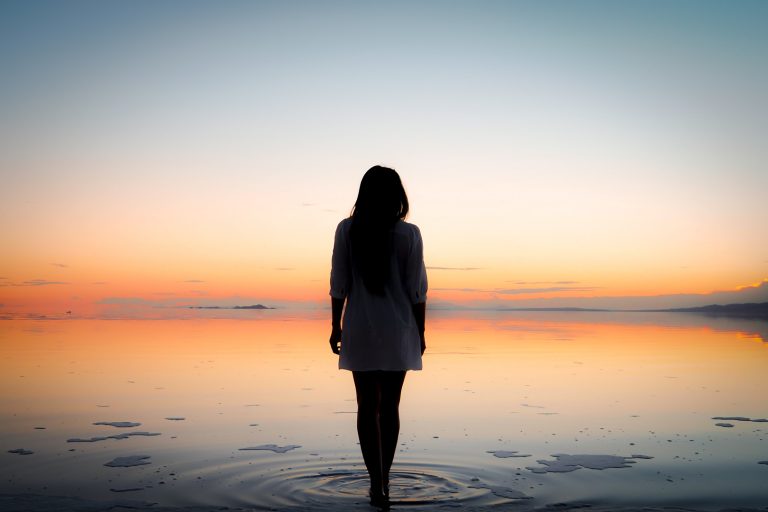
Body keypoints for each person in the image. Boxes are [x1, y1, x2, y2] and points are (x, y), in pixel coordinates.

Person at [329, 165, 427, 507]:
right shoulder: (409, 234)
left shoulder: (347, 230)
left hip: (360, 327)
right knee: (390, 407)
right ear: (397, 195)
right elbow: (417, 290)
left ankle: (376, 484)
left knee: (366, 406)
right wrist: (421, 333)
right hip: (399, 329)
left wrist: (336, 326)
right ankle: (384, 479)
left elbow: (339, 283)